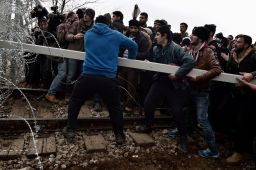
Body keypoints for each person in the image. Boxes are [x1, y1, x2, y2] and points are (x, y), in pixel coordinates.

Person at [63, 15, 138, 145]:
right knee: (115, 107)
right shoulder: (115, 34)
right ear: (109, 24)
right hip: (108, 78)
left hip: (88, 76)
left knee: (75, 101)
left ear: (95, 23)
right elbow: (133, 46)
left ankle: (70, 130)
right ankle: (119, 135)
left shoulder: (88, 34)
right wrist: (129, 61)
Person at [135, 25, 194, 153]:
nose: (155, 37)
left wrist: (177, 73)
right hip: (160, 81)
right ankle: (148, 126)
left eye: (157, 35)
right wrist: (148, 64)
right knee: (148, 103)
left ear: (164, 36)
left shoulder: (176, 48)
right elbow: (154, 62)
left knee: (177, 112)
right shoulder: (156, 48)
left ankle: (183, 137)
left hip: (173, 84)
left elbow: (189, 61)